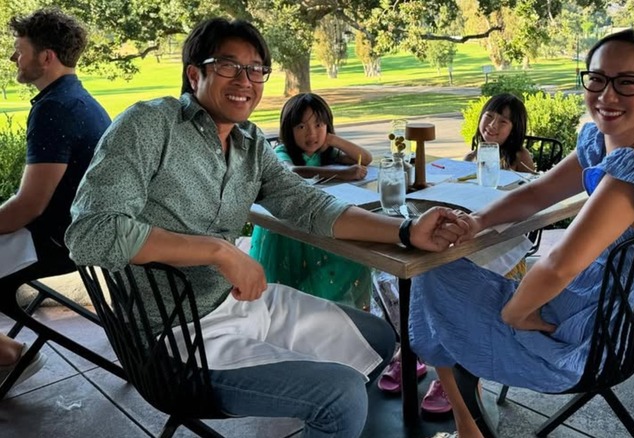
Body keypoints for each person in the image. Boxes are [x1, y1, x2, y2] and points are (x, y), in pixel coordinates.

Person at [65, 18, 467, 438]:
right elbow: (91, 234)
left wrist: (406, 230)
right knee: (341, 396)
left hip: (241, 304)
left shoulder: (250, 142)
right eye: (228, 66)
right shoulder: (149, 126)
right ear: (194, 74)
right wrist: (218, 250)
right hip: (173, 336)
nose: (245, 80)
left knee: (378, 339)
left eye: (256, 69)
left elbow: (309, 205)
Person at [409, 29, 634, 438]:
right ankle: (464, 416)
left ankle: (465, 418)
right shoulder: (605, 143)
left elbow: (560, 265)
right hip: (589, 310)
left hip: (584, 339)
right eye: (597, 79)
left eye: (627, 82)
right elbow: (538, 192)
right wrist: (477, 222)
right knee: (435, 275)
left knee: (429, 274)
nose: (607, 95)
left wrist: (516, 314)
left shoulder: (633, 172)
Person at [0, 8, 110, 387]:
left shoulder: (54, 109)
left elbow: (28, 206)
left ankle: (12, 355)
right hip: (73, 235)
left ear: (46, 57)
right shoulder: (77, 99)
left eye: (20, 50)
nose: (14, 58)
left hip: (55, 243)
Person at [249, 92, 373, 309]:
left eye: (318, 125)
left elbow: (366, 158)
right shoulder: (282, 151)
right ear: (289, 130)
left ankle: (336, 313)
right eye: (301, 126)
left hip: (323, 220)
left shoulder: (327, 153)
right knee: (295, 282)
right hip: (290, 227)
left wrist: (332, 139)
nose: (312, 133)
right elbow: (292, 171)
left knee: (355, 258)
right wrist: (343, 173)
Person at [463, 93, 535, 173]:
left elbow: (532, 181)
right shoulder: (470, 158)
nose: (492, 125)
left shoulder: (520, 157)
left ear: (513, 130)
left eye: (503, 121)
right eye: (489, 116)